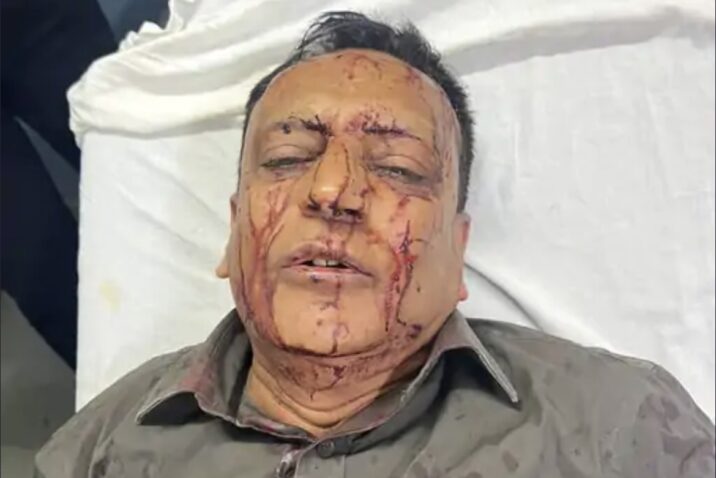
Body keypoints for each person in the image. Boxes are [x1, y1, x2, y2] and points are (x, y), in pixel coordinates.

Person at [34, 11, 715, 478]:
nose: (333, 190)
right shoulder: (99, 448)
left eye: (397, 168)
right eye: (288, 157)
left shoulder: (622, 429)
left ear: (458, 252)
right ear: (233, 232)